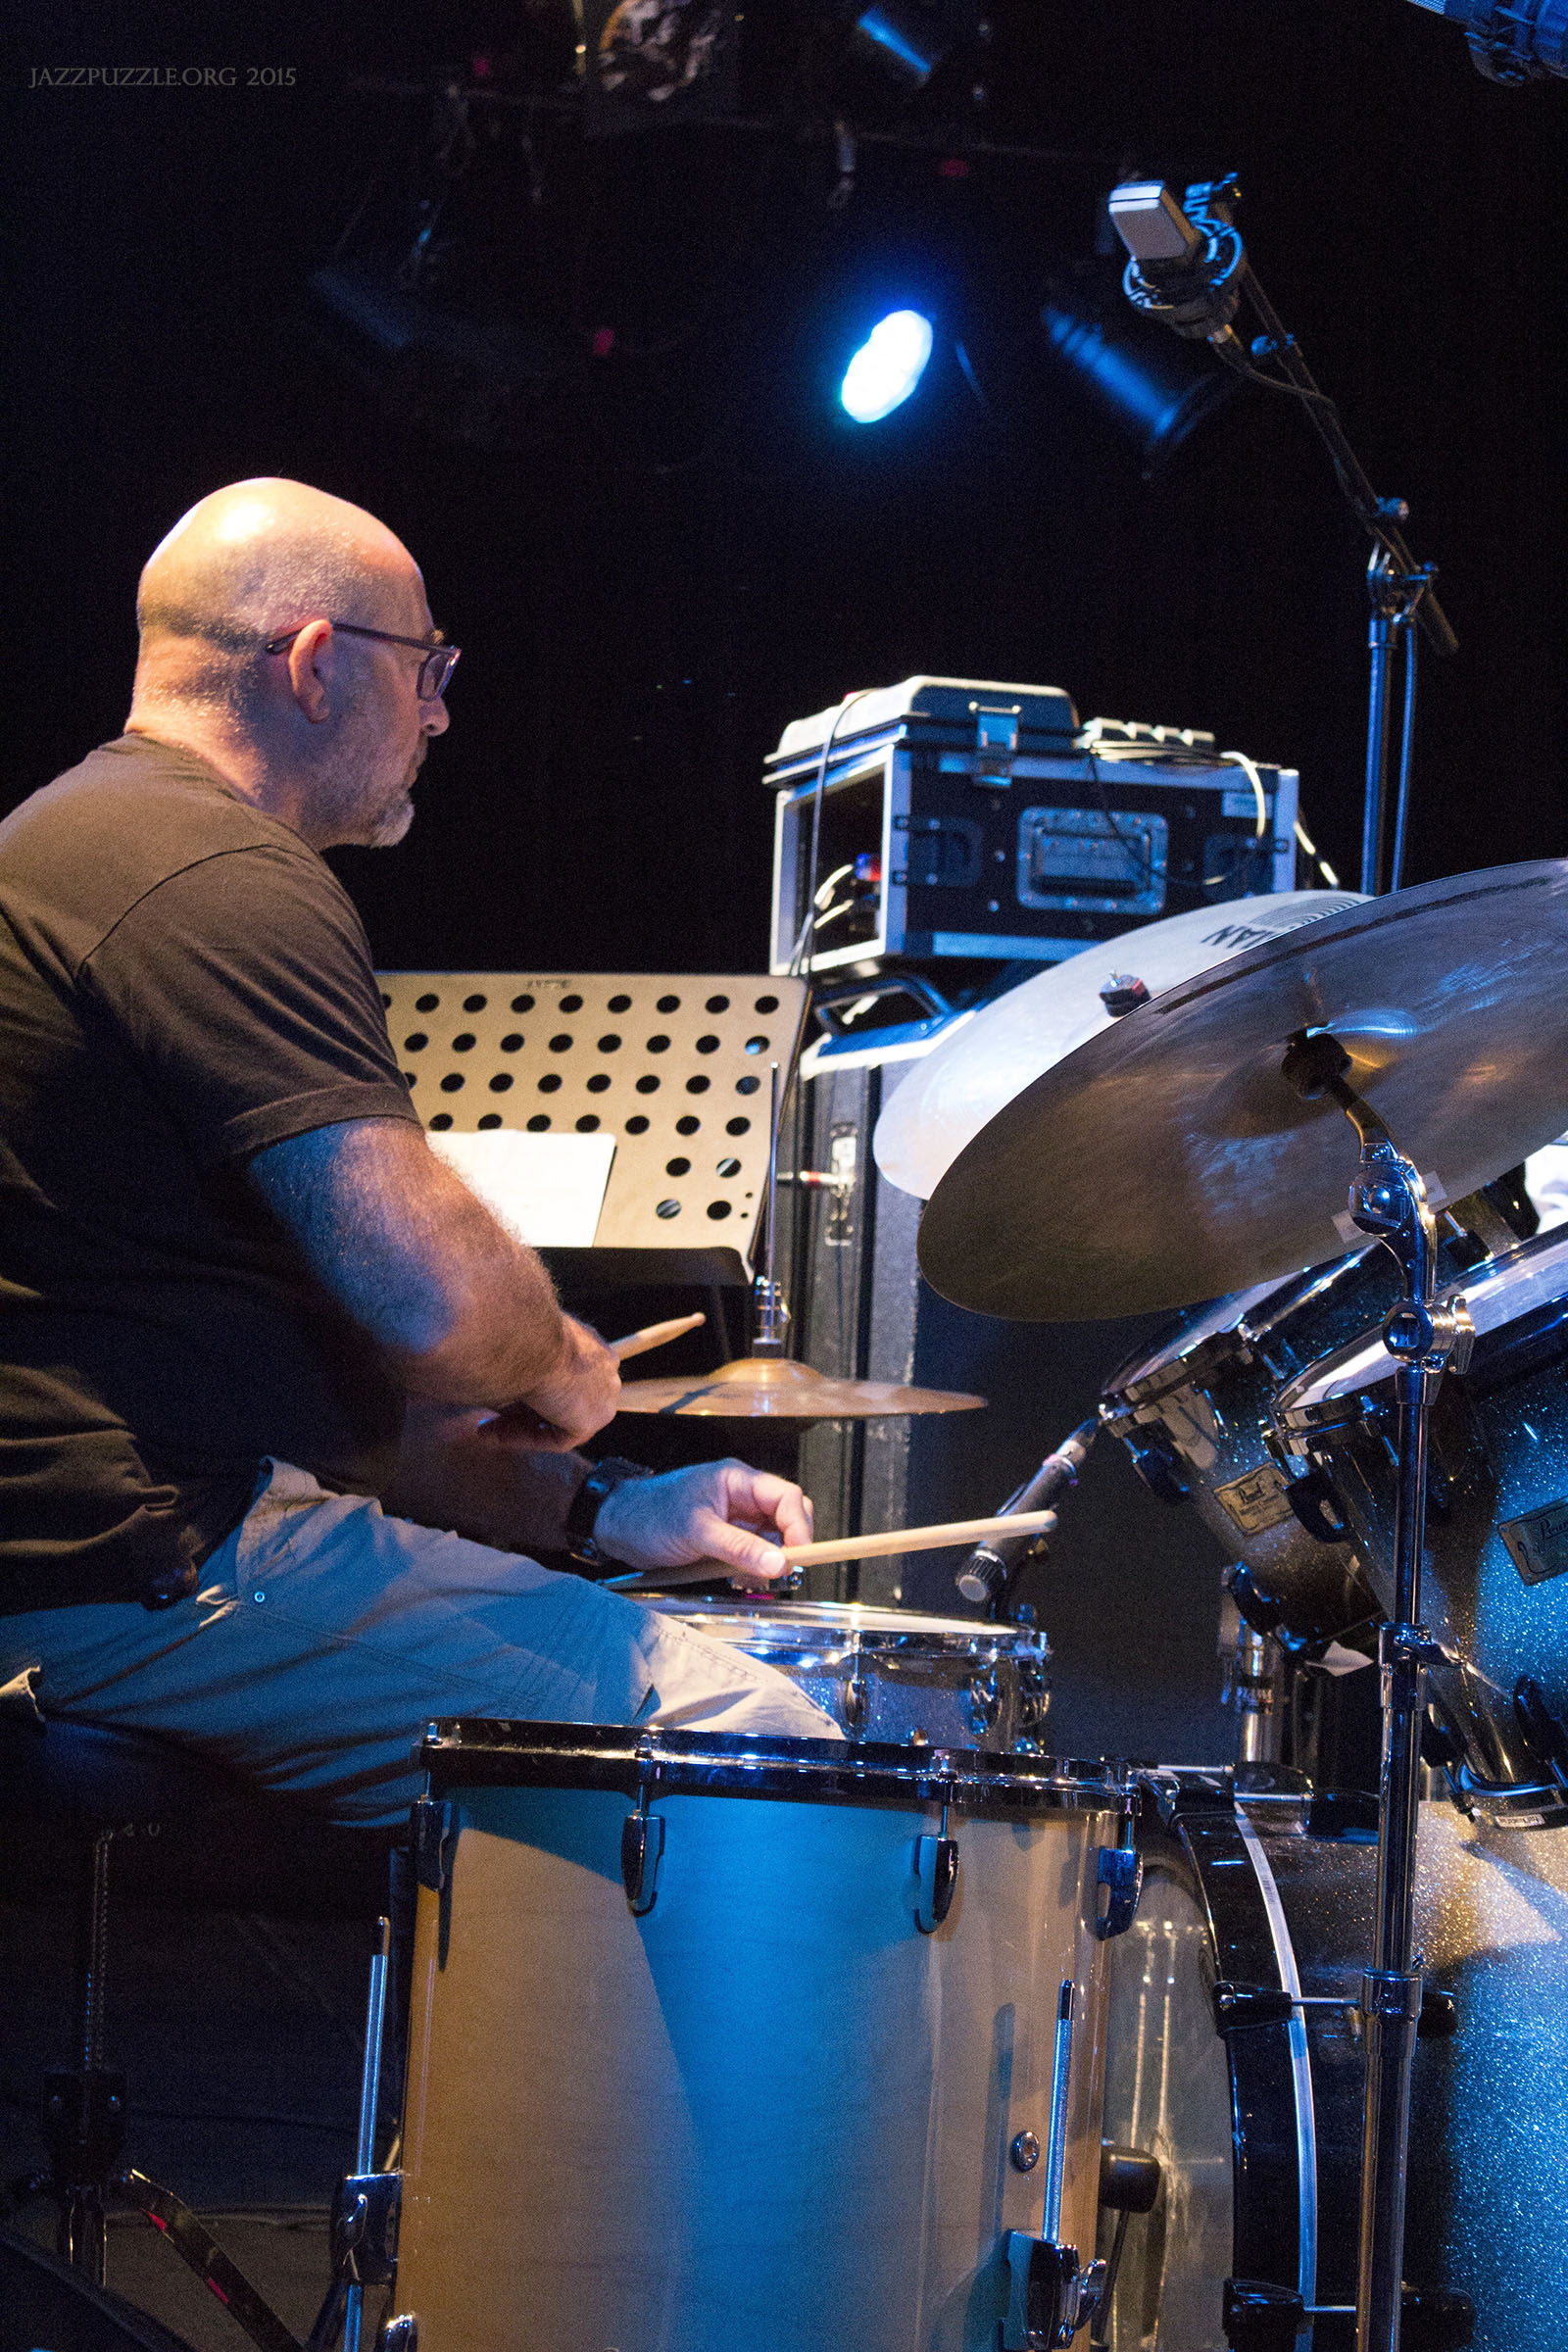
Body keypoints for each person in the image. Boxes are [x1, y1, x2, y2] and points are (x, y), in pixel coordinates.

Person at [0, 478, 838, 1821]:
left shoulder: (75, 841)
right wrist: (561, 1362)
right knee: (759, 1749)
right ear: (315, 663)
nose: (441, 714)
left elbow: (289, 1402)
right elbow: (438, 1311)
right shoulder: (213, 872)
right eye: (426, 668)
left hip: (113, 1553)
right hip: (139, 1571)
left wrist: (599, 1509)